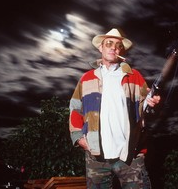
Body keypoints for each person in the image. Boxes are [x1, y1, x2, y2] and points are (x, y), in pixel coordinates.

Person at [69, 28, 161, 189]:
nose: (113, 48)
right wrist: (78, 138)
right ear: (101, 48)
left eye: (118, 45)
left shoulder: (134, 76)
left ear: (121, 51)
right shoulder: (86, 78)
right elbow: (76, 109)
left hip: (129, 154)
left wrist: (152, 102)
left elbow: (146, 106)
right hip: (96, 156)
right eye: (109, 44)